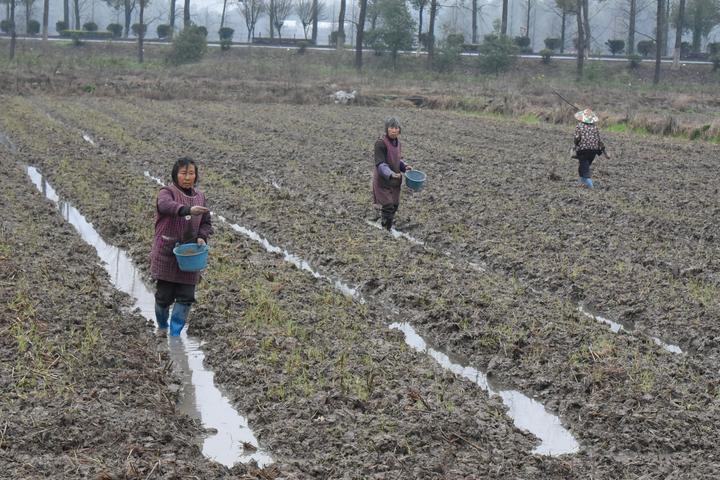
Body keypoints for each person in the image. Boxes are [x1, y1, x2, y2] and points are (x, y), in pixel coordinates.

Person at [150, 157, 213, 336]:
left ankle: (175, 334)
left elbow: (206, 223)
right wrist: (187, 210)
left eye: (191, 173)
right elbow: (165, 206)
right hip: (166, 252)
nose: (187, 177)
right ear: (175, 175)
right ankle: (162, 327)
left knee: (186, 297)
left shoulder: (200, 197)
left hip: (190, 254)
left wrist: (201, 236)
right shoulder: (167, 192)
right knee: (164, 296)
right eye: (183, 173)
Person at [372, 117, 412, 230]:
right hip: (383, 181)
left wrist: (404, 167)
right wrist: (390, 174)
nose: (394, 130)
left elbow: (396, 159)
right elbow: (380, 164)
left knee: (394, 205)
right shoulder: (380, 143)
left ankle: (386, 225)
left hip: (395, 181)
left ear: (399, 130)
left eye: (396, 128)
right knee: (388, 206)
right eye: (391, 128)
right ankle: (385, 230)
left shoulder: (398, 143)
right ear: (387, 129)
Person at [573, 108, 608, 188]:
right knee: (583, 167)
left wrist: (575, 145)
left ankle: (591, 187)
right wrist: (603, 150)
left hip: (583, 151)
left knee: (584, 170)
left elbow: (576, 138)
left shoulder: (579, 126)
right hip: (593, 151)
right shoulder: (595, 127)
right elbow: (599, 140)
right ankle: (581, 184)